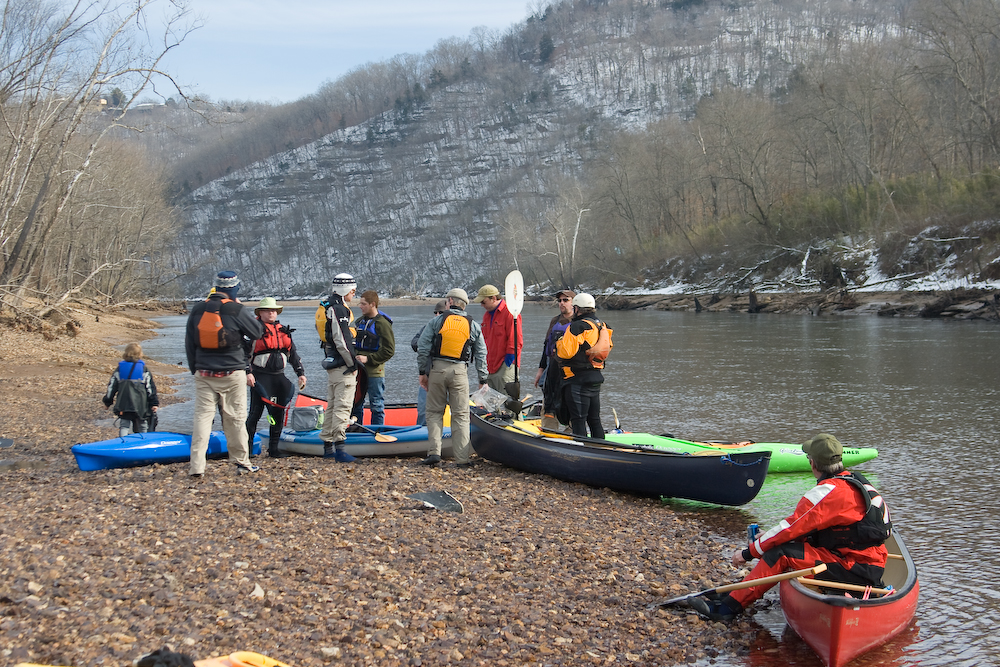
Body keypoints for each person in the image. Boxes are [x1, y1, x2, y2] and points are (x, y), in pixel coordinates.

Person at [689, 433, 892, 621]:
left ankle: (727, 609)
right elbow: (813, 530)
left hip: (852, 567)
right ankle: (735, 593)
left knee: (781, 554)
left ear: (812, 463)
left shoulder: (826, 492)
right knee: (783, 544)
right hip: (871, 564)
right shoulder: (857, 482)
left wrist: (748, 553)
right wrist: (769, 540)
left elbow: (789, 528)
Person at [185, 271, 264, 477]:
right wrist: (240, 307)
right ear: (234, 289)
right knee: (235, 418)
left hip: (204, 372)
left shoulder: (198, 309)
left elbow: (189, 342)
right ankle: (241, 462)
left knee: (202, 419)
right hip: (232, 371)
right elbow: (257, 332)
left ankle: (197, 467)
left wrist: (195, 369)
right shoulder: (235, 309)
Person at [416, 288, 488, 468]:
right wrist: (483, 379)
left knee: (434, 412)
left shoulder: (437, 321)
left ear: (449, 302)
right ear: (464, 305)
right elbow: (481, 353)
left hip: (437, 370)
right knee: (461, 415)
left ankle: (434, 453)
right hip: (460, 372)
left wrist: (422, 372)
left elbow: (423, 347)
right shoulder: (473, 325)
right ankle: (462, 459)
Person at [245, 297, 307, 458]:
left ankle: (274, 449)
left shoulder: (283, 331)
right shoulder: (253, 331)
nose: (271, 313)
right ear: (260, 313)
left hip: (278, 377)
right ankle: (247, 450)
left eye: (273, 310)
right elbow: (243, 355)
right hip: (260, 377)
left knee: (278, 413)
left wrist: (300, 373)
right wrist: (247, 372)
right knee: (255, 414)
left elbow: (293, 355)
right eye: (267, 311)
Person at [555, 293, 612, 439]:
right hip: (595, 377)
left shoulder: (577, 326)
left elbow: (566, 353)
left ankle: (580, 449)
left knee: (578, 420)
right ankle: (600, 448)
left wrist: (558, 342)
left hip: (577, 379)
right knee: (594, 420)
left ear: (576, 308)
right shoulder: (603, 325)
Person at [316, 273, 360, 463]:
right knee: (343, 405)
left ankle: (328, 447)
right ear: (347, 290)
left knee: (332, 405)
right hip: (343, 366)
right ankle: (340, 449)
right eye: (353, 291)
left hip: (332, 363)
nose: (354, 295)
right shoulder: (339, 309)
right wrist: (353, 363)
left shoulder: (326, 305)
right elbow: (342, 339)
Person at [350, 290, 396, 426]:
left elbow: (389, 350)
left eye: (363, 304)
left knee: (376, 404)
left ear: (372, 304)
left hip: (375, 371)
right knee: (356, 403)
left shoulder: (382, 323)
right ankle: (356, 430)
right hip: (358, 370)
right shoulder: (359, 322)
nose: (360, 306)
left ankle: (377, 431)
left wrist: (368, 359)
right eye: (360, 303)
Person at [533, 289, 575, 430]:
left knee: (571, 405)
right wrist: (540, 370)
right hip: (551, 369)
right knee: (548, 404)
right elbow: (546, 346)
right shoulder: (554, 321)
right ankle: (549, 432)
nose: (562, 303)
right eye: (560, 300)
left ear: (574, 303)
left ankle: (571, 434)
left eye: (566, 300)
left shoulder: (579, 322)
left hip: (570, 370)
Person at [471, 283, 523, 393]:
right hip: (489, 365)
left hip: (505, 365)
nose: (482, 305)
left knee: (507, 398)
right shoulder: (486, 315)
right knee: (490, 400)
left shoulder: (510, 312)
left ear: (493, 298)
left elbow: (516, 339)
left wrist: (508, 361)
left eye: (483, 302)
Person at [103, 342, 159, 437]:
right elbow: (150, 388)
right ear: (140, 354)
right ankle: (143, 441)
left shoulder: (120, 369)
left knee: (124, 425)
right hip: (140, 404)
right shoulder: (143, 369)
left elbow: (112, 387)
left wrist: (107, 402)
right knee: (142, 424)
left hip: (124, 403)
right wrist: (154, 403)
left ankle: (123, 442)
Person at [411, 299, 448, 426]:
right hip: (428, 375)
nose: (437, 315)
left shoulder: (453, 330)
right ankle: (422, 430)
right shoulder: (428, 327)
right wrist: (428, 346)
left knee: (448, 408)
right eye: (435, 312)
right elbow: (414, 343)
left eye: (440, 312)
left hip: (448, 376)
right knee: (423, 409)